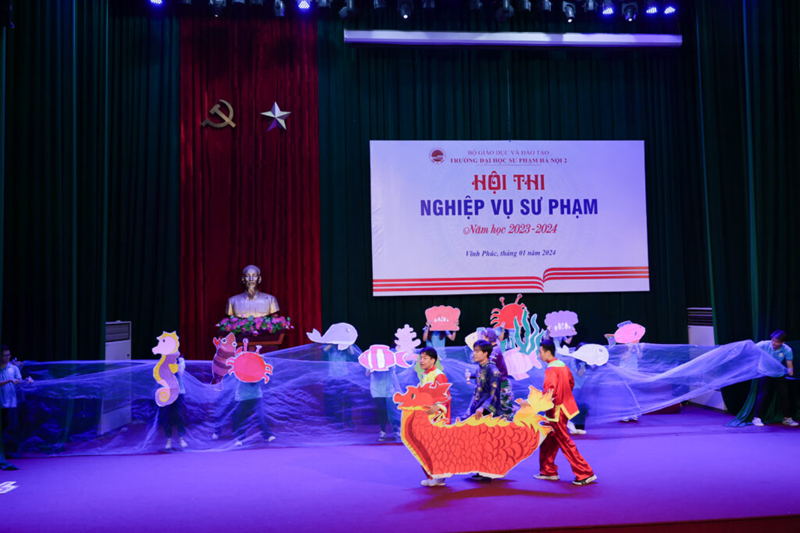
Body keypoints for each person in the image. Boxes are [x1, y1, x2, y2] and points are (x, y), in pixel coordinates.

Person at [533, 340, 597, 486]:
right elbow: (571, 383)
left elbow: (550, 391)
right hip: (561, 408)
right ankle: (548, 470)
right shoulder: (562, 365)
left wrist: (536, 403)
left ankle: (585, 473)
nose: (539, 355)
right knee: (548, 440)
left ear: (548, 352)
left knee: (565, 442)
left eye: (540, 352)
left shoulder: (551, 369)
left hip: (555, 411)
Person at [417, 347, 451, 487]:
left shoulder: (438, 375)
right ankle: (432, 475)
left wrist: (439, 407)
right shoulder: (425, 374)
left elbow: (446, 396)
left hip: (437, 417)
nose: (421, 361)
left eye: (425, 358)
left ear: (433, 360)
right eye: (421, 358)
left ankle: (439, 477)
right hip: (428, 416)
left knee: (437, 447)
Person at [751, 330, 798, 427]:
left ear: (783, 342)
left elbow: (789, 364)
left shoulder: (787, 350)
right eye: (773, 340)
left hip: (778, 374)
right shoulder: (764, 344)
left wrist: (790, 370)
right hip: (765, 373)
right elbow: (751, 349)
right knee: (763, 395)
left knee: (785, 395)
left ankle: (787, 418)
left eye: (776, 342)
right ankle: (756, 418)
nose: (774, 343)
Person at [1, 345, 33, 456]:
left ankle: (7, 453)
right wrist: (9, 380)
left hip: (11, 404)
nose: (7, 358)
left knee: (10, 429)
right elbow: (11, 380)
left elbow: (19, 382)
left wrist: (27, 380)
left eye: (8, 355)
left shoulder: (13, 368)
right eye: (4, 356)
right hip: (0, 403)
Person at [479, 328, 514, 420]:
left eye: (483, 337)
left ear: (489, 338)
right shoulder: (492, 350)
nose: (482, 340)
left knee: (506, 413)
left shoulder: (495, 351)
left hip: (501, 386)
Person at [161, 354, 188, 450]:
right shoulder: (163, 359)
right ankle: (168, 440)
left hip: (179, 392)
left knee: (179, 415)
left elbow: (180, 373)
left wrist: (176, 362)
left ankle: (181, 438)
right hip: (167, 392)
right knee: (167, 416)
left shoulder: (180, 360)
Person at [368, 366, 400, 442]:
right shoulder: (372, 360)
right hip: (376, 389)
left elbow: (393, 374)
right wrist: (373, 368)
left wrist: (397, 388)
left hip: (389, 389)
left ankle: (397, 431)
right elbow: (367, 373)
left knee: (392, 411)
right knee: (382, 410)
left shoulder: (390, 360)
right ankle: (383, 432)